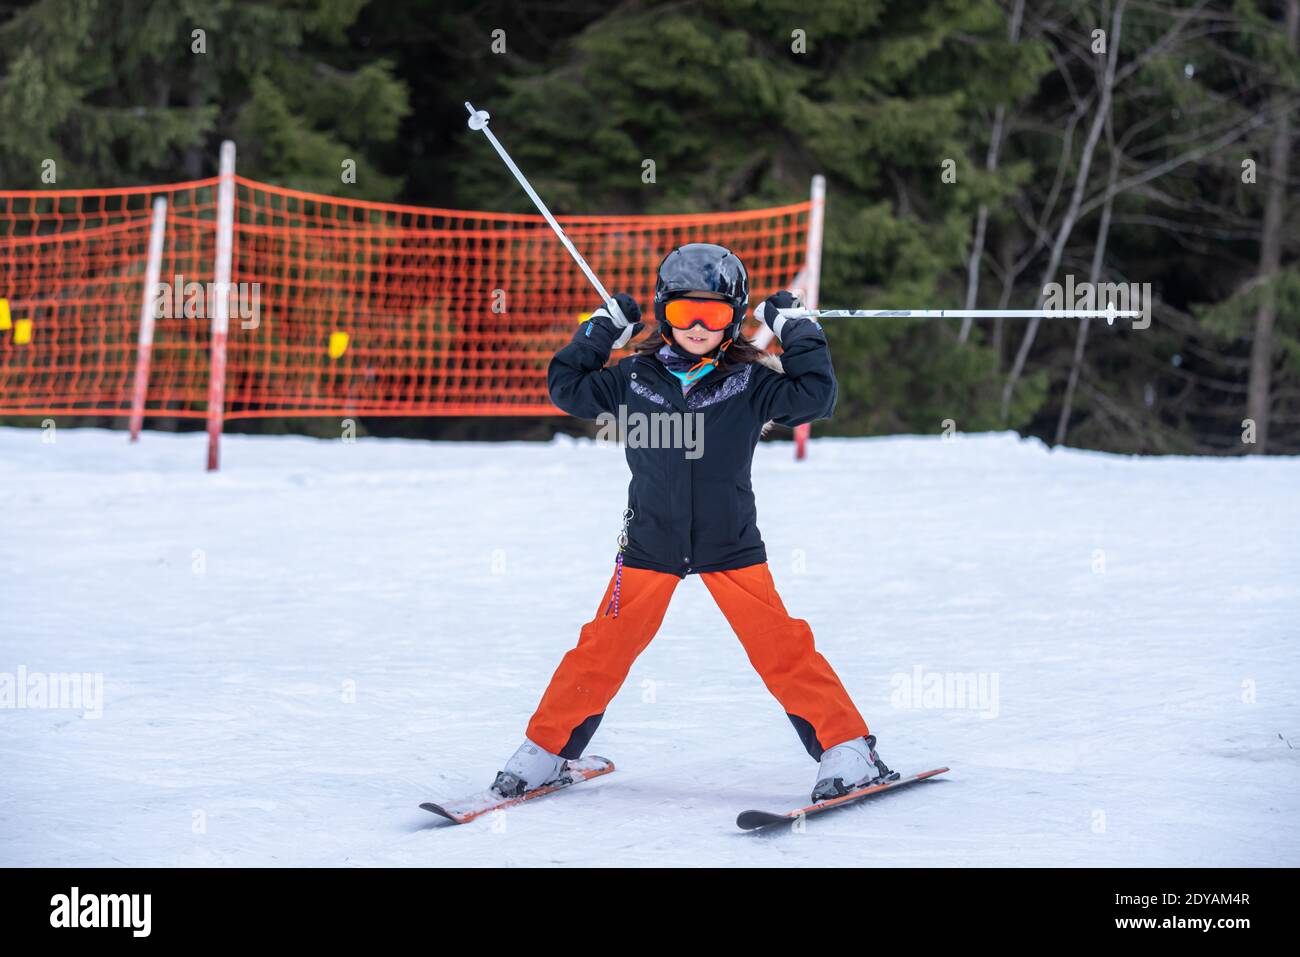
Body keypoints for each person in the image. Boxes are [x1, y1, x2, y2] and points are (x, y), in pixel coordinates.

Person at [493, 242, 892, 803]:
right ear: (663, 314)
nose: (699, 326)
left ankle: (849, 749)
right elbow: (568, 388)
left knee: (780, 647)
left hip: (729, 543)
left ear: (735, 318)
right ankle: (545, 751)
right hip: (650, 542)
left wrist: (798, 330)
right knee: (601, 650)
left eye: (716, 314)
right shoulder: (632, 378)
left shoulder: (751, 383)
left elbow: (816, 397)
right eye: (684, 314)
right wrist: (600, 331)